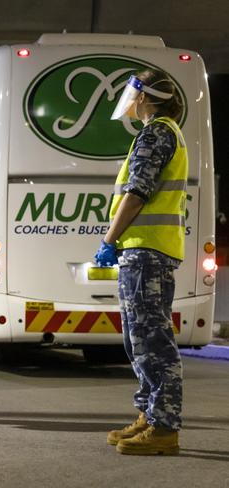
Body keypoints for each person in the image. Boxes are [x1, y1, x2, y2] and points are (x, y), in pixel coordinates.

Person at [96, 69, 187, 456]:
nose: (130, 101)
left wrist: (109, 238)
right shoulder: (162, 132)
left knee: (152, 340)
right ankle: (149, 416)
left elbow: (137, 193)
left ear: (147, 97)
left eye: (134, 93)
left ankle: (164, 428)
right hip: (145, 252)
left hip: (146, 252)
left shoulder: (157, 133)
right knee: (140, 340)